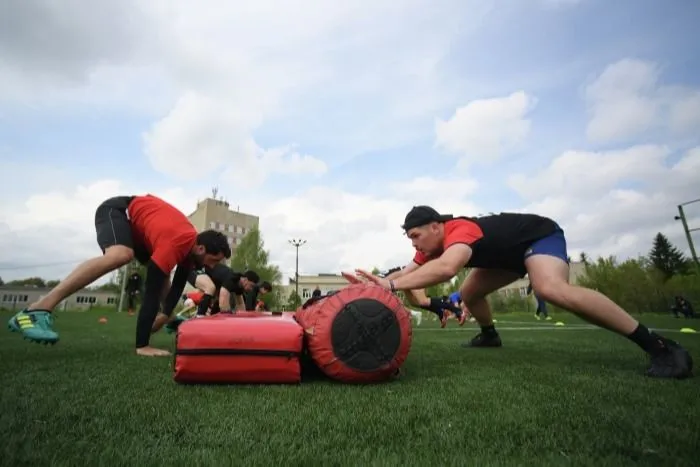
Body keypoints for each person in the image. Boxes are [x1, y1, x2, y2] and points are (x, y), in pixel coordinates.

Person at [345, 205, 693, 379]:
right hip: (506, 258)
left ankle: (658, 345)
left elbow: (447, 268)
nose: (414, 243)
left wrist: (391, 284)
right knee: (468, 294)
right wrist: (378, 282)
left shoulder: (459, 230)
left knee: (550, 288)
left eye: (416, 235)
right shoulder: (430, 246)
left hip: (537, 237)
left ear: (437, 226)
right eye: (410, 240)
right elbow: (410, 272)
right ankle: (489, 335)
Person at [7, 194, 231, 357]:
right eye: (215, 260)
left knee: (165, 277)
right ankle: (37, 309)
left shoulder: (187, 250)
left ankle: (170, 320)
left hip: (142, 233)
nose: (213, 266)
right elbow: (151, 289)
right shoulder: (178, 241)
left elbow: (176, 285)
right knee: (121, 255)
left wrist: (165, 315)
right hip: (118, 212)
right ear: (202, 249)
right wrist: (142, 344)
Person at [163, 266, 260, 333]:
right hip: (193, 271)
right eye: (251, 286)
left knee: (215, 296)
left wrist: (244, 322)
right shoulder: (232, 279)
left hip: (207, 276)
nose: (251, 289)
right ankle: (199, 317)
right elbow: (223, 304)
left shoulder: (239, 286)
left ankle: (175, 323)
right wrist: (230, 324)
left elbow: (240, 305)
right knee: (211, 288)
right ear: (245, 280)